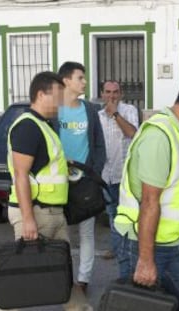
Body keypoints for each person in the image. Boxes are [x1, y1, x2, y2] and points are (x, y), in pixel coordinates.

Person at [113, 71, 179, 310]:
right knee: (138, 306)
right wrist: (146, 259)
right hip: (144, 244)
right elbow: (150, 202)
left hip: (172, 243)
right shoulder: (159, 135)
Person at [0, 71, 91, 311]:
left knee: (63, 272)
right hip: (36, 214)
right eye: (57, 97)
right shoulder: (28, 126)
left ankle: (79, 308)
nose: (61, 103)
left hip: (52, 213)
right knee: (22, 279)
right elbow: (21, 175)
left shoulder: (43, 126)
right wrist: (28, 220)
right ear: (41, 94)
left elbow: (43, 166)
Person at [57, 62, 106, 295]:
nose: (84, 82)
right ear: (66, 81)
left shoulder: (89, 109)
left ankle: (83, 280)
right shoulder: (53, 109)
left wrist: (93, 172)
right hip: (57, 183)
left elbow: (98, 143)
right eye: (80, 77)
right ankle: (62, 278)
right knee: (61, 233)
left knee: (87, 233)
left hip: (84, 182)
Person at [98, 80, 139, 261]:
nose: (111, 96)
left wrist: (115, 114)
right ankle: (116, 249)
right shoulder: (97, 116)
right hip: (106, 175)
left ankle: (129, 250)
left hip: (126, 175)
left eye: (115, 92)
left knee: (128, 214)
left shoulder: (129, 111)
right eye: (108, 92)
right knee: (112, 214)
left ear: (121, 94)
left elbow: (132, 133)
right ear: (102, 94)